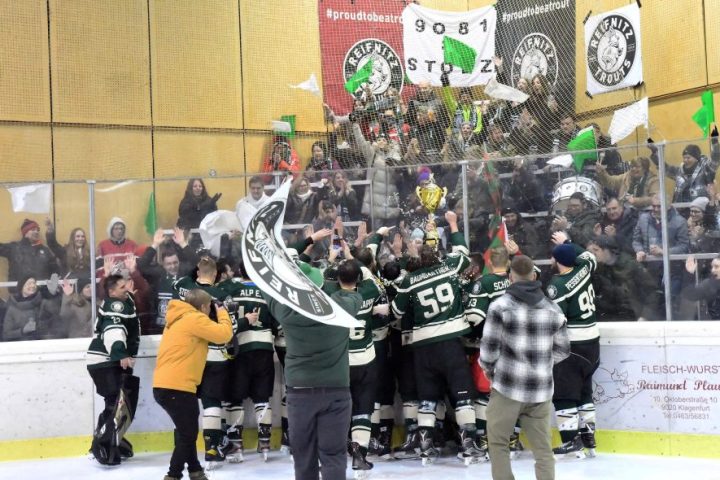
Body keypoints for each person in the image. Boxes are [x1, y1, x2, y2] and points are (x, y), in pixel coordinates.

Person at [391, 211, 485, 465]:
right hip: (450, 344)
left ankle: (425, 446)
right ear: (437, 256)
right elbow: (464, 252)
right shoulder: (449, 266)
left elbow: (396, 312)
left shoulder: (409, 280)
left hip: (422, 348)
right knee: (463, 395)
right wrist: (453, 224)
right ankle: (469, 444)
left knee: (428, 397)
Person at [481, 255, 570, 480]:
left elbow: (489, 351)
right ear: (533, 275)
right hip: (540, 390)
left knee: (499, 443)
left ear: (511, 277)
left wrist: (492, 372)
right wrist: (541, 365)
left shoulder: (499, 306)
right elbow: (563, 350)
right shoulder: (554, 309)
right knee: (543, 450)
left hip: (507, 388)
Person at [263, 262, 354, 480]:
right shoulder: (344, 306)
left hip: (300, 393)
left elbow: (268, 288)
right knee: (333, 455)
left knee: (303, 456)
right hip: (336, 390)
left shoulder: (285, 311)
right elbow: (353, 287)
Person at [153, 289, 233, 480]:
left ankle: (195, 470)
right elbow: (224, 334)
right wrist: (222, 312)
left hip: (166, 384)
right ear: (204, 307)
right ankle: (173, 475)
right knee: (188, 434)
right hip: (178, 386)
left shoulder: (177, 318)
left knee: (185, 431)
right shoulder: (194, 319)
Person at [546, 233, 600, 458]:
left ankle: (570, 441)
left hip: (573, 345)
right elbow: (588, 256)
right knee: (585, 391)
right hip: (593, 342)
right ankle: (589, 438)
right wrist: (567, 242)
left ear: (557, 261)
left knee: (564, 394)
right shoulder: (584, 269)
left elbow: (558, 320)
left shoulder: (557, 285)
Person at [217, 262, 277, 462]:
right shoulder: (268, 290)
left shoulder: (230, 289)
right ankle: (265, 443)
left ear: (239, 272)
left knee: (235, 399)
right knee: (262, 399)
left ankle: (236, 446)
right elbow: (277, 323)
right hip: (264, 350)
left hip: (240, 349)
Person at [86, 274, 140, 465]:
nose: (127, 289)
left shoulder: (121, 302)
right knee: (116, 403)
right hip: (106, 360)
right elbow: (113, 329)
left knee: (115, 401)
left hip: (105, 361)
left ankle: (109, 439)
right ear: (112, 292)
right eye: (122, 287)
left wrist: (130, 296)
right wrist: (120, 353)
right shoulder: (114, 305)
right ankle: (103, 443)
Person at [649, 133, 719, 203]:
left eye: (688, 158)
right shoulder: (679, 171)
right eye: (684, 158)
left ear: (696, 159)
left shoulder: (705, 169)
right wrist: (654, 152)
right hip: (680, 210)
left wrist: (715, 143)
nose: (685, 160)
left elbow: (715, 159)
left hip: (700, 210)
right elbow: (664, 168)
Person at [0, 218, 59, 285]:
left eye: (37, 230)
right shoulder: (13, 248)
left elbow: (55, 272)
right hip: (18, 293)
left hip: (42, 293)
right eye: (33, 230)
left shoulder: (45, 251)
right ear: (25, 232)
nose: (36, 232)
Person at [2, 275, 60, 341]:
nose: (32, 286)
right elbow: (6, 334)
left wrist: (53, 294)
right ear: (21, 287)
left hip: (42, 345)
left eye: (34, 283)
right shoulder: (12, 308)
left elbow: (56, 313)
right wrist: (23, 331)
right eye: (29, 283)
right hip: (19, 348)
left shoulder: (42, 302)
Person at [681, 255, 720, 320]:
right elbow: (689, 294)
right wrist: (689, 273)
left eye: (716, 267)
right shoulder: (710, 284)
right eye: (712, 267)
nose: (712, 270)